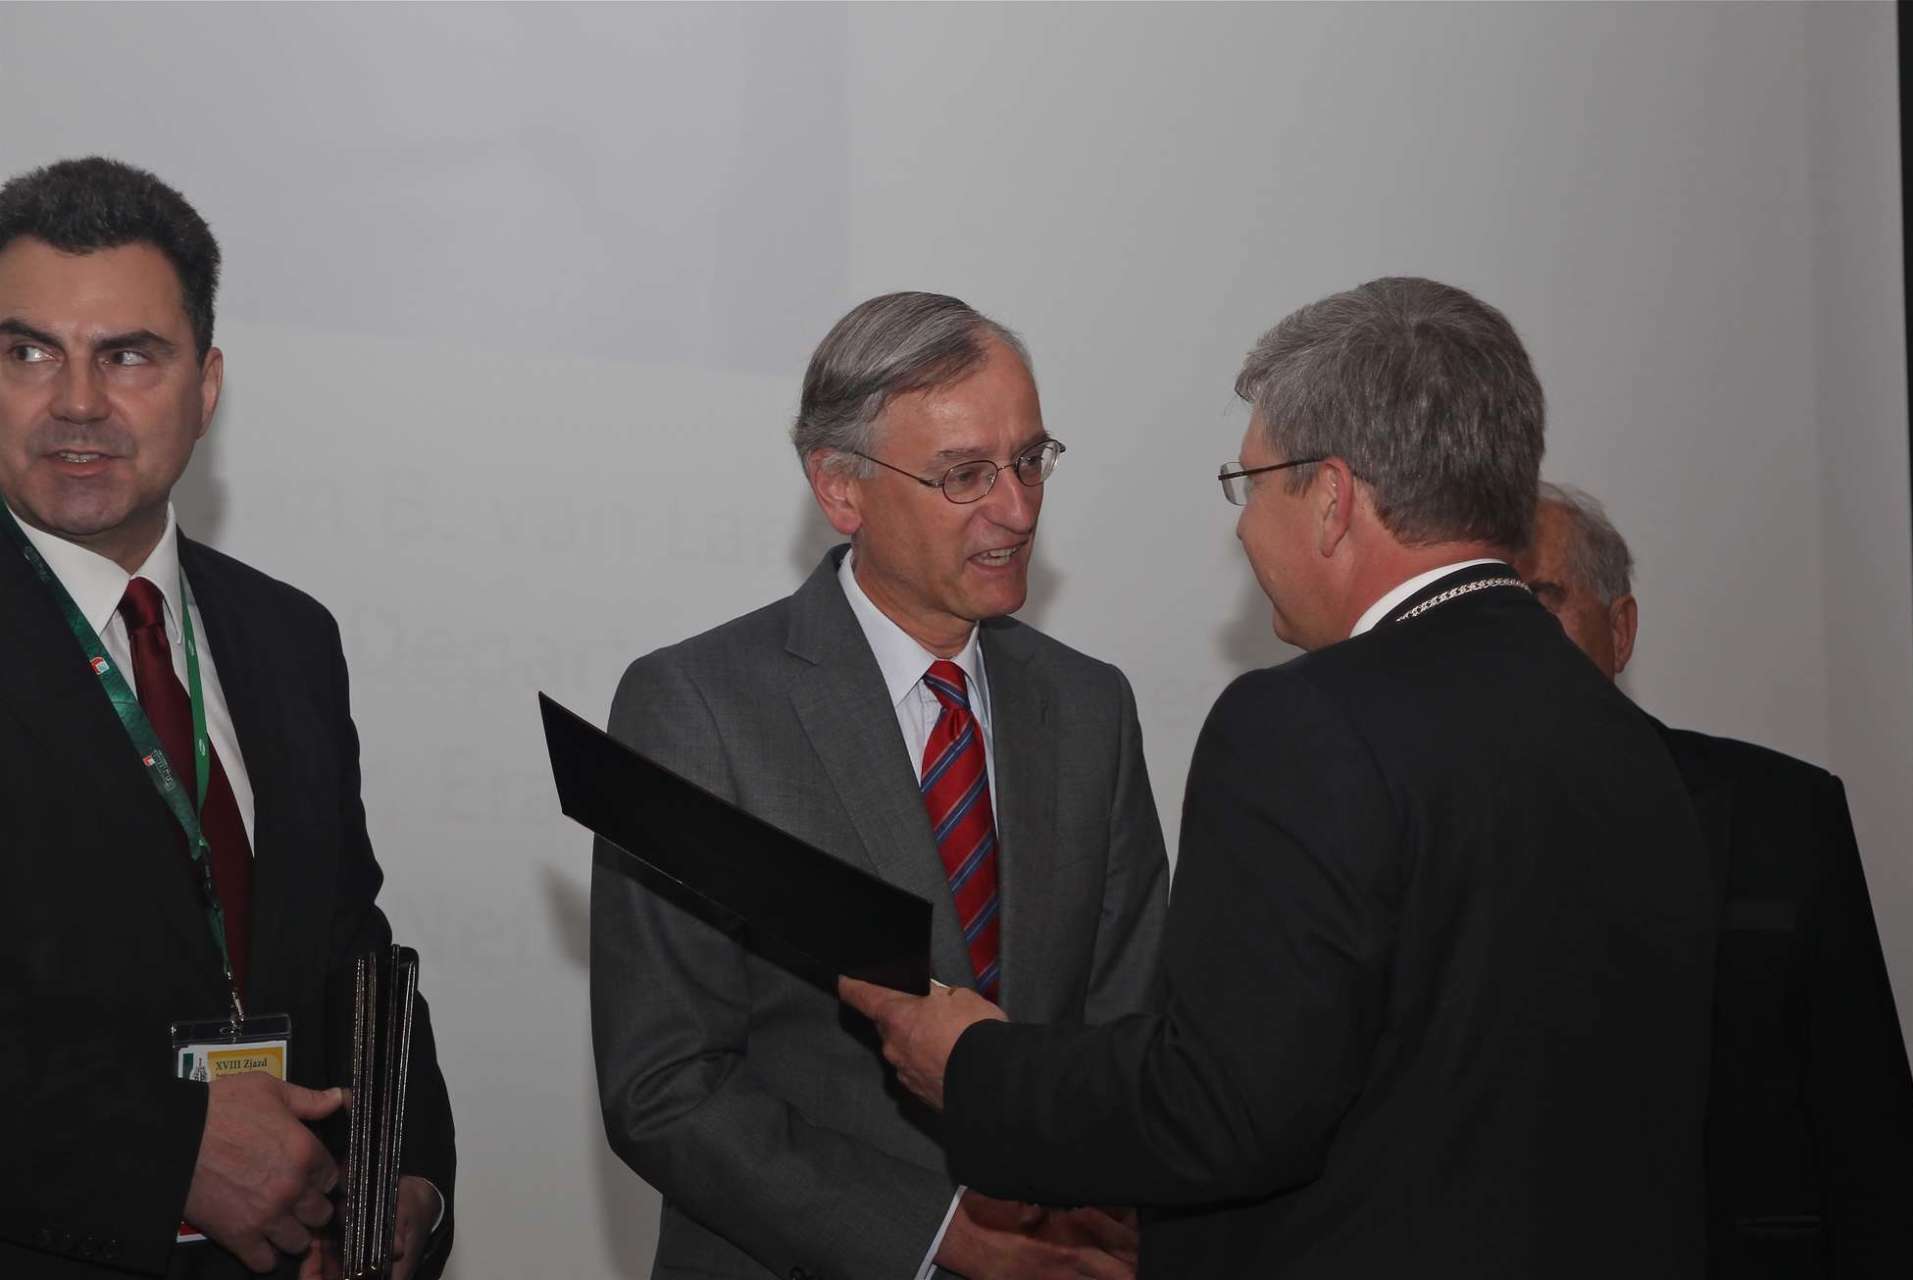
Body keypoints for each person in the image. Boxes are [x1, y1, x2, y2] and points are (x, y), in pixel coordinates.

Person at [843, 277, 1719, 1277]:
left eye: (1251, 484)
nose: (1243, 528)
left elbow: (1224, 1107)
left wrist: (974, 1067)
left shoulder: (1309, 723)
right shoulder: (1627, 740)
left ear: (1332, 499)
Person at [590, 291, 1169, 1280]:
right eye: (965, 475)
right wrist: (944, 1239)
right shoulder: (697, 708)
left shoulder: (1089, 706)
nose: (1018, 509)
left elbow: (1132, 1032)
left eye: (1031, 460)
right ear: (840, 488)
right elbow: (666, 1083)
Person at [0, 157, 455, 1280]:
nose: (76, 401)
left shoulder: (287, 636)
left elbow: (348, 941)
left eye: (128, 355)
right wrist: (169, 1152)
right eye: (28, 353)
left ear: (205, 389)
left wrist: (403, 1175)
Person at [1518, 480, 1913, 1276]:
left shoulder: (1784, 815)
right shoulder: (1401, 826)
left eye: (1538, 603)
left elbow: (1867, 1132)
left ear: (1620, 630)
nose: (1506, 639)